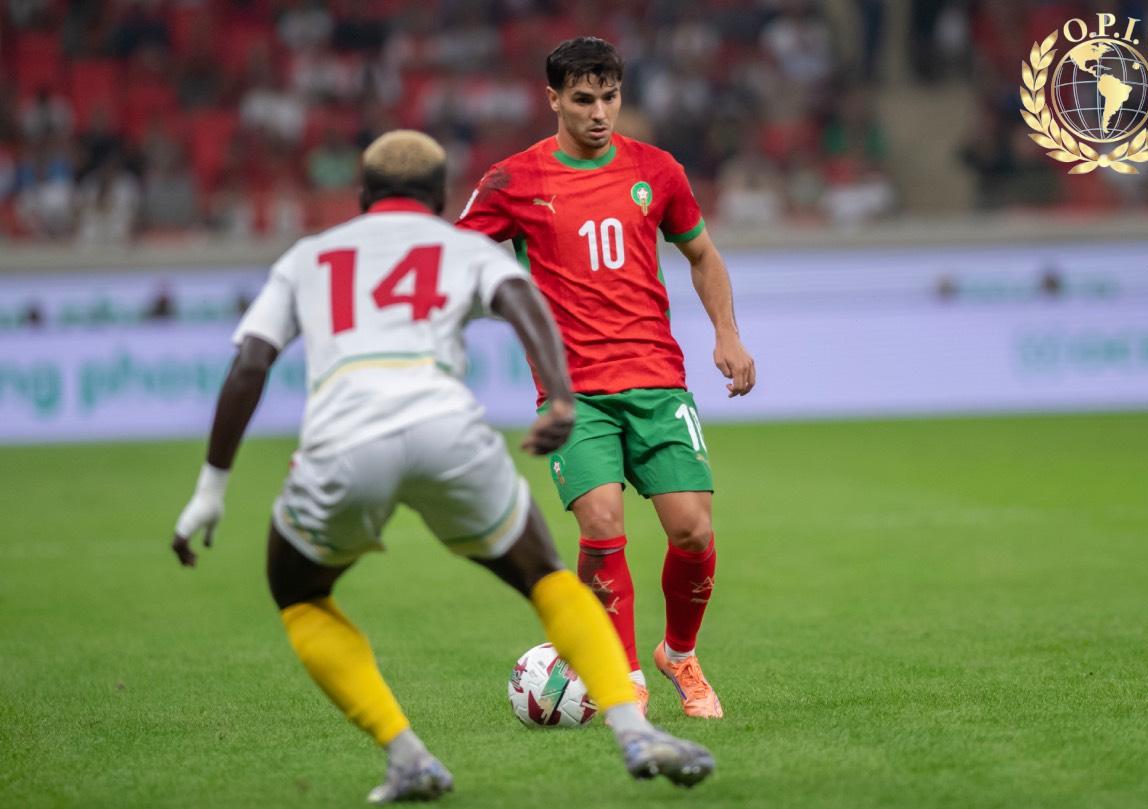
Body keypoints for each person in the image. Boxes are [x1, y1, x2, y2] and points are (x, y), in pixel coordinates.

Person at [169, 130, 714, 803]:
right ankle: (633, 731)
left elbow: (251, 362)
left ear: (362, 195)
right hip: (448, 432)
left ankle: (407, 756)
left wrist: (211, 488)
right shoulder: (461, 249)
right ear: (437, 199)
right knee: (545, 576)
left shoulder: (308, 257)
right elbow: (525, 304)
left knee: (300, 594)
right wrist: (560, 396)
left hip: (344, 441)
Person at [457, 37, 756, 720]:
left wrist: (727, 333)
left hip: (657, 381)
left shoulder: (658, 170)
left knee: (692, 531)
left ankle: (679, 654)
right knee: (600, 520)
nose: (599, 113)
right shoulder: (514, 180)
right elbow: (455, 254)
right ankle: (624, 677)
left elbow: (702, 254)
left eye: (610, 98)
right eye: (584, 99)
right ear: (553, 99)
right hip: (575, 393)